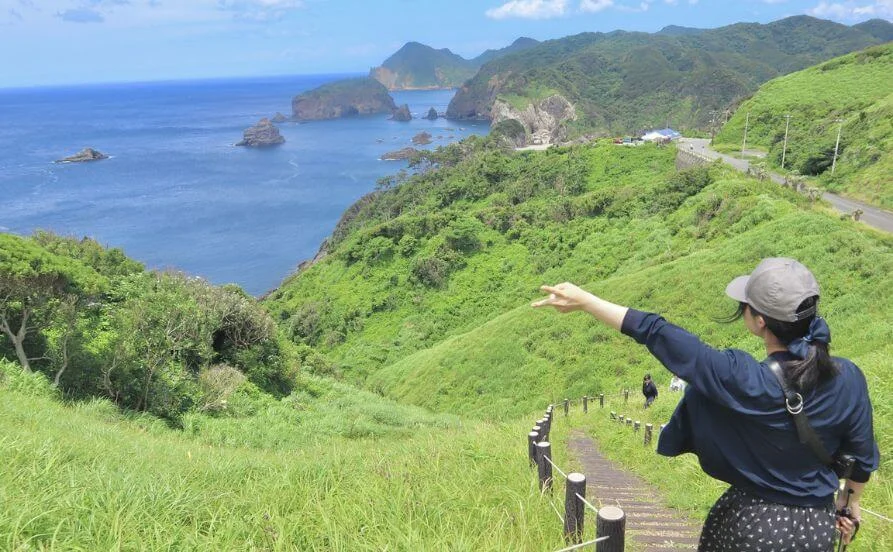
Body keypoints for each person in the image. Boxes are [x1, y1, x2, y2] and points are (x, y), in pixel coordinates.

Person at [532, 258, 879, 551]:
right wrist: (849, 504)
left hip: (752, 523)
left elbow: (658, 332)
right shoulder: (850, 377)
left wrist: (586, 300)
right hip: (815, 528)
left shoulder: (739, 377)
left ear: (759, 321)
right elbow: (861, 459)